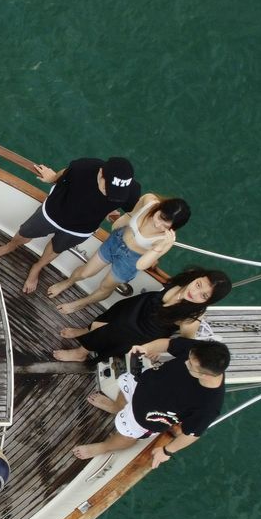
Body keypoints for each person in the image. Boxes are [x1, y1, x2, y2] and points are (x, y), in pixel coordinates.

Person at [0, 156, 138, 294]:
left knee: (57, 248)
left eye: (117, 193)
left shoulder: (131, 192)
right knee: (25, 233)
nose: (110, 195)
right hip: (52, 213)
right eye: (109, 189)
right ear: (101, 173)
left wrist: (113, 213)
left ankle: (37, 267)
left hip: (81, 229)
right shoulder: (83, 168)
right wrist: (52, 178)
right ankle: (9, 246)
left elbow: (134, 211)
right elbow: (65, 174)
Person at [73, 338, 230, 469]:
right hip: (142, 384)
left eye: (190, 365)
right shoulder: (198, 352)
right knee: (125, 387)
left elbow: (192, 434)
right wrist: (145, 348)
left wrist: (166, 451)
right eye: (188, 358)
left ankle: (104, 447)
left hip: (146, 419)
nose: (186, 362)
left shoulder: (209, 405)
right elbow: (169, 344)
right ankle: (116, 407)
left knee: (127, 435)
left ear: (206, 375)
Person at [46, 193, 191, 315]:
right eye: (160, 217)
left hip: (131, 260)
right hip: (116, 241)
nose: (158, 225)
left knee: (105, 287)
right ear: (159, 207)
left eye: (166, 226)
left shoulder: (165, 241)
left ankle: (81, 303)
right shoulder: (149, 200)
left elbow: (141, 265)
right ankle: (67, 282)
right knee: (84, 272)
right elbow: (132, 214)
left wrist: (160, 248)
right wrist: (122, 220)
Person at [52, 267, 232, 363]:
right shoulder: (188, 277)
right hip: (139, 305)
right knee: (108, 316)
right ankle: (85, 330)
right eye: (199, 284)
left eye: (204, 295)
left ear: (208, 301)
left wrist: (155, 350)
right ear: (197, 277)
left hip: (142, 329)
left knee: (109, 332)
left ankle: (80, 352)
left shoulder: (191, 318)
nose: (195, 292)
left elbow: (184, 342)